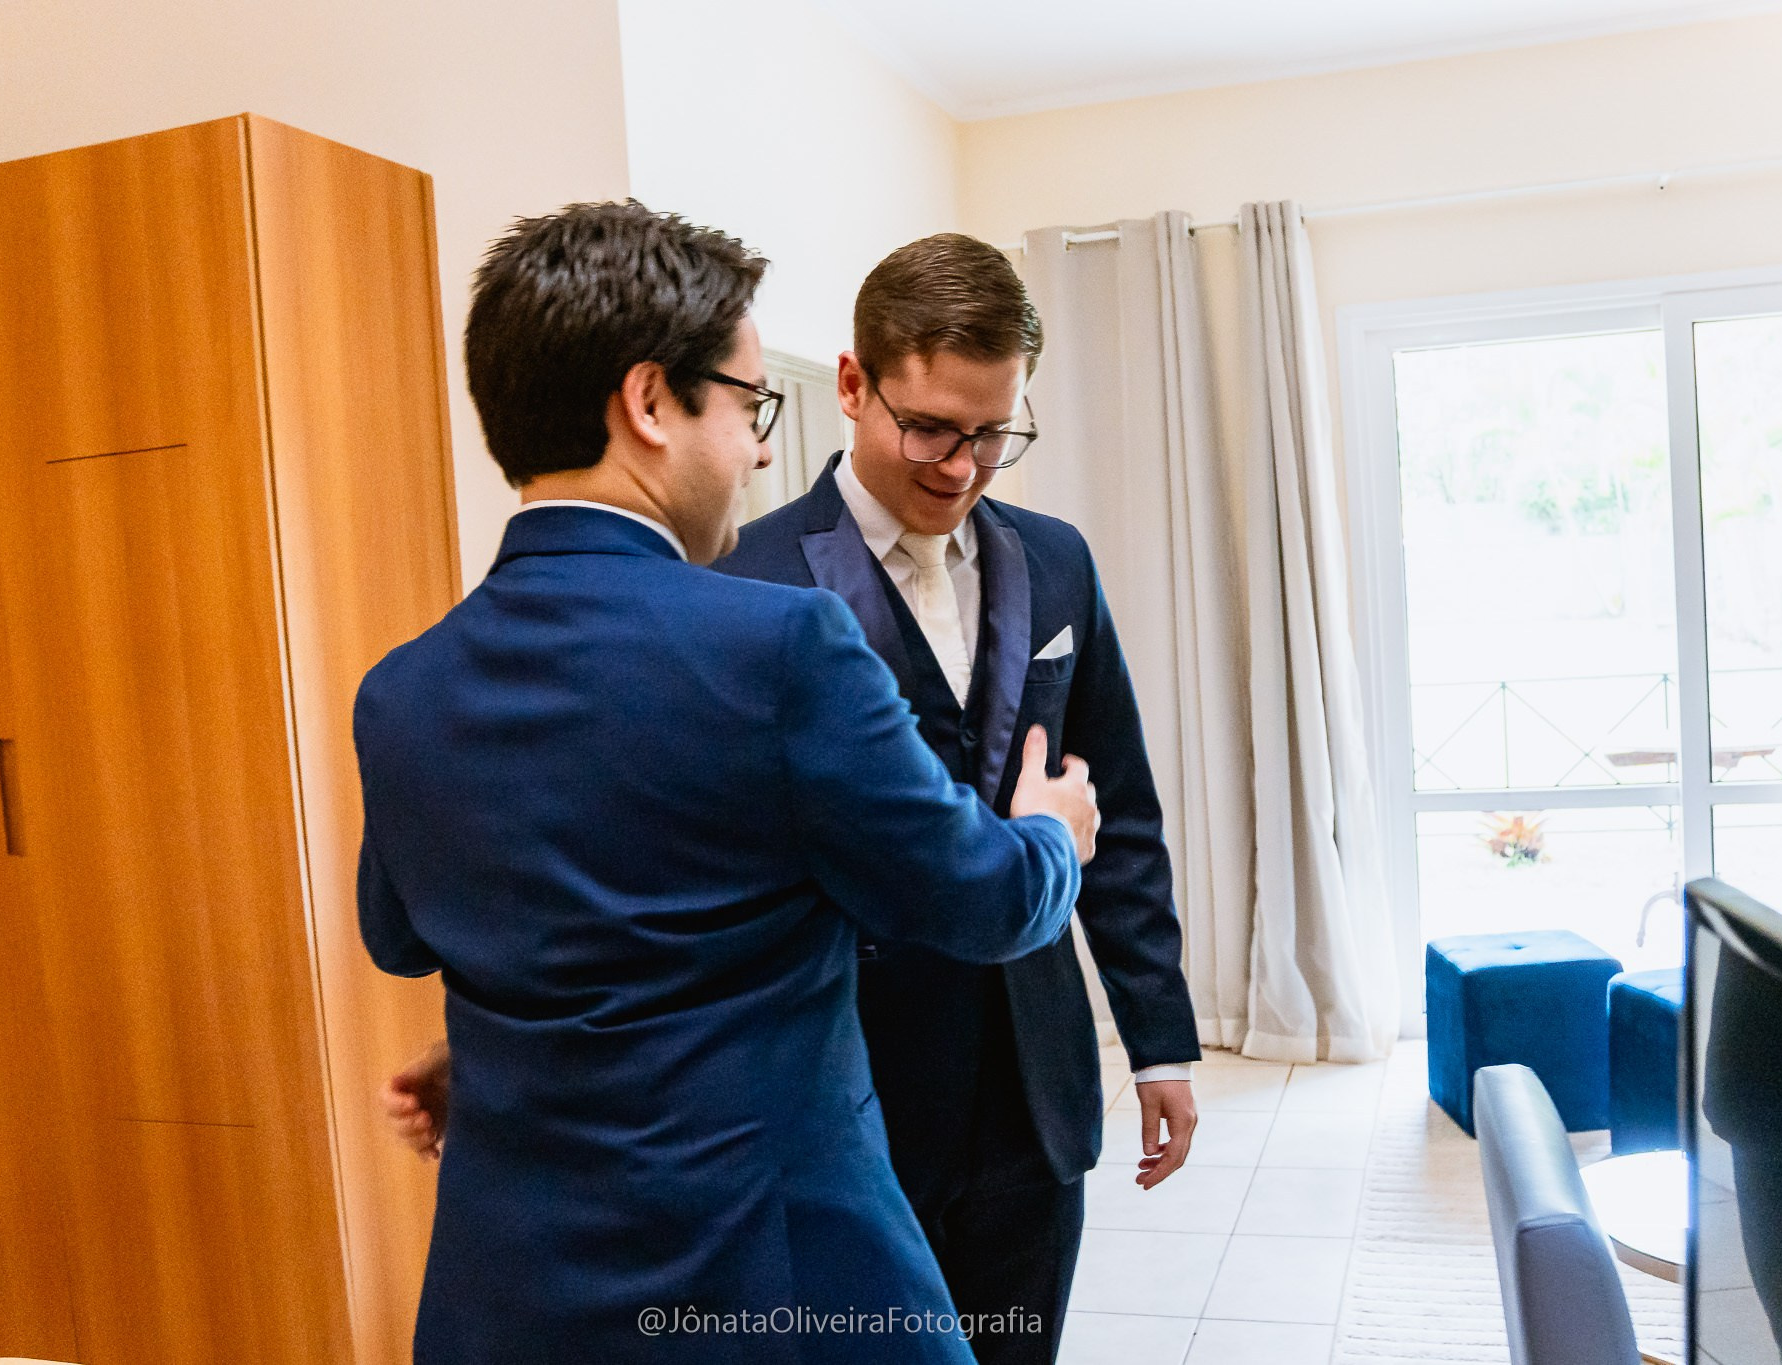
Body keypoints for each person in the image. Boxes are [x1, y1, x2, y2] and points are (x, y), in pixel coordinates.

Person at [385, 232, 1202, 1365]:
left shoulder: (399, 687)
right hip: (811, 1172)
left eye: (993, 436)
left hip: (532, 1259)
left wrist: (500, 1042)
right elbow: (978, 886)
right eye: (747, 408)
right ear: (651, 405)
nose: (961, 465)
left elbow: (426, 926)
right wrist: (1045, 836)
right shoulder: (752, 608)